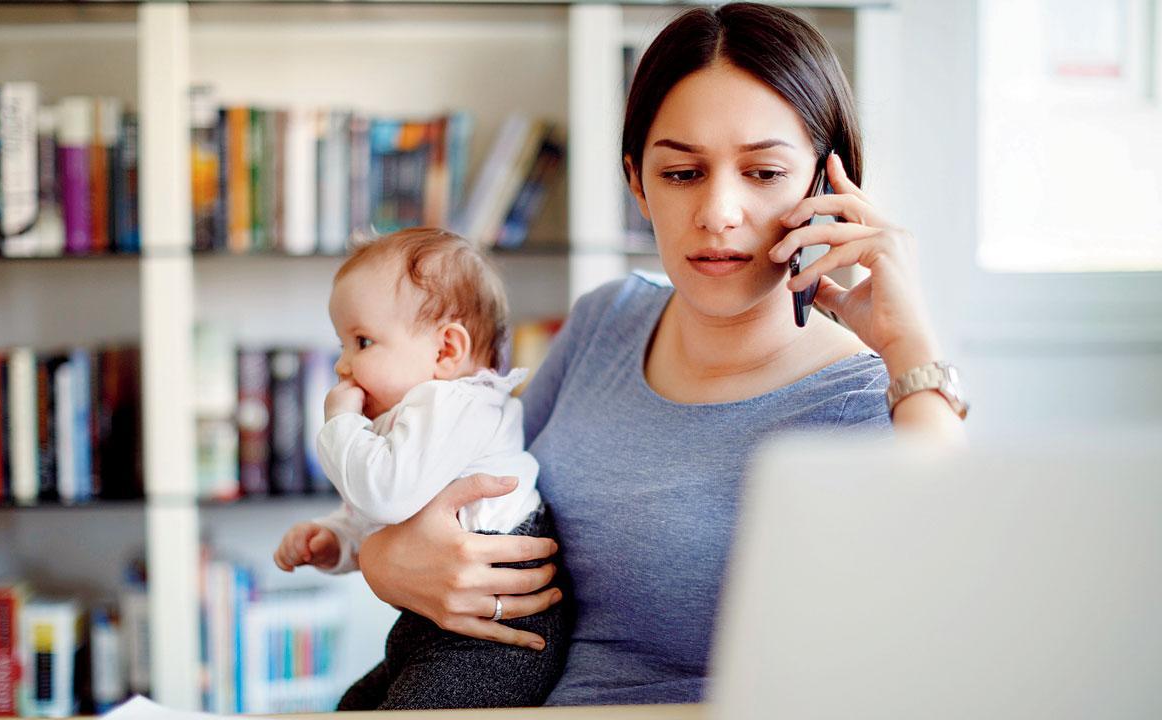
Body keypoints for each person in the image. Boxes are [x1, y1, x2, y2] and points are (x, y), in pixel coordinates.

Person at [353, 2, 969, 707]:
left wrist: (910, 346)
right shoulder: (605, 321)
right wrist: (383, 557)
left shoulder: (873, 398)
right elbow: (468, 478)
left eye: (764, 173)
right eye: (682, 174)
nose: (719, 212)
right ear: (638, 184)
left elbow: (945, 612)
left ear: (827, 187)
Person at [272, 227, 569, 709]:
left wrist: (341, 422)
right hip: (434, 625)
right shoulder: (415, 414)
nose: (343, 366)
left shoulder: (456, 404)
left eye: (362, 342)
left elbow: (385, 494)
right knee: (352, 707)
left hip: (495, 637)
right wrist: (337, 539)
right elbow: (387, 517)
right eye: (343, 345)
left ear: (446, 351)